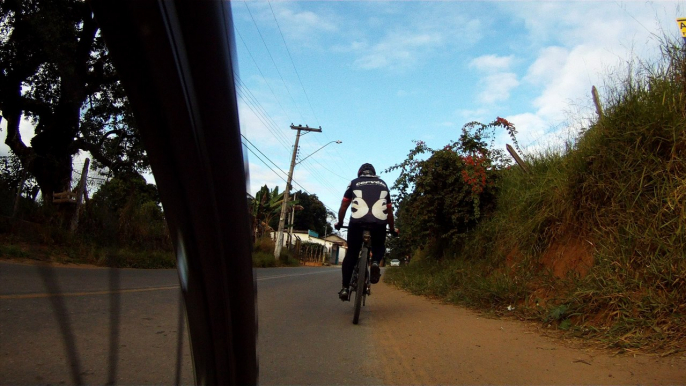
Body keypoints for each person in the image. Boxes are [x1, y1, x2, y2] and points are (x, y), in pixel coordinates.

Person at [334, 163, 398, 301]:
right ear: (374, 173)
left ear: (360, 173)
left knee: (351, 253)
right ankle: (375, 262)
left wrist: (339, 223)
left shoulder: (354, 183)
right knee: (379, 245)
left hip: (357, 223)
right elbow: (389, 212)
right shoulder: (383, 184)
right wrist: (392, 229)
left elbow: (344, 205)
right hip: (379, 223)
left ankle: (345, 288)